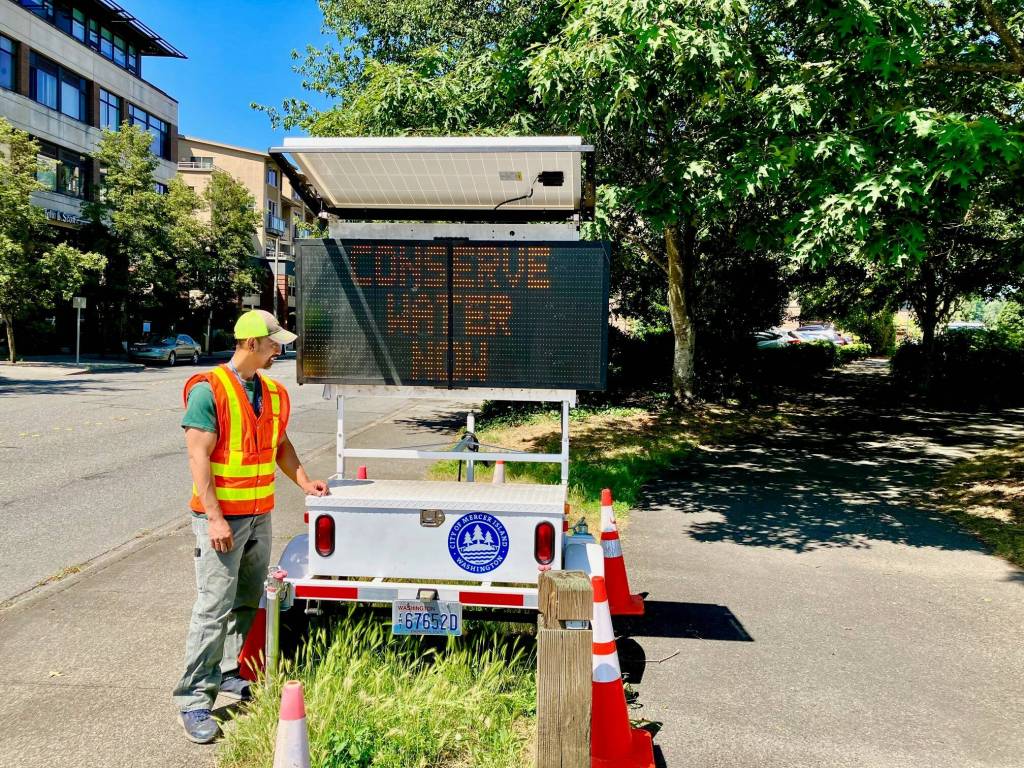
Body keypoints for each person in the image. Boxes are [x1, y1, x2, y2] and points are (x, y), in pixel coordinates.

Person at [172, 309, 329, 743]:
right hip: (221, 521)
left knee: (246, 601)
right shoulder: (209, 391)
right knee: (212, 607)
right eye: (274, 342)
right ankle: (193, 700)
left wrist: (304, 481)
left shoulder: (274, 394)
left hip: (259, 515)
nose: (280, 349)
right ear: (251, 343)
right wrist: (216, 516)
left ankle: (228, 672)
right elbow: (198, 457)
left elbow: (280, 444)